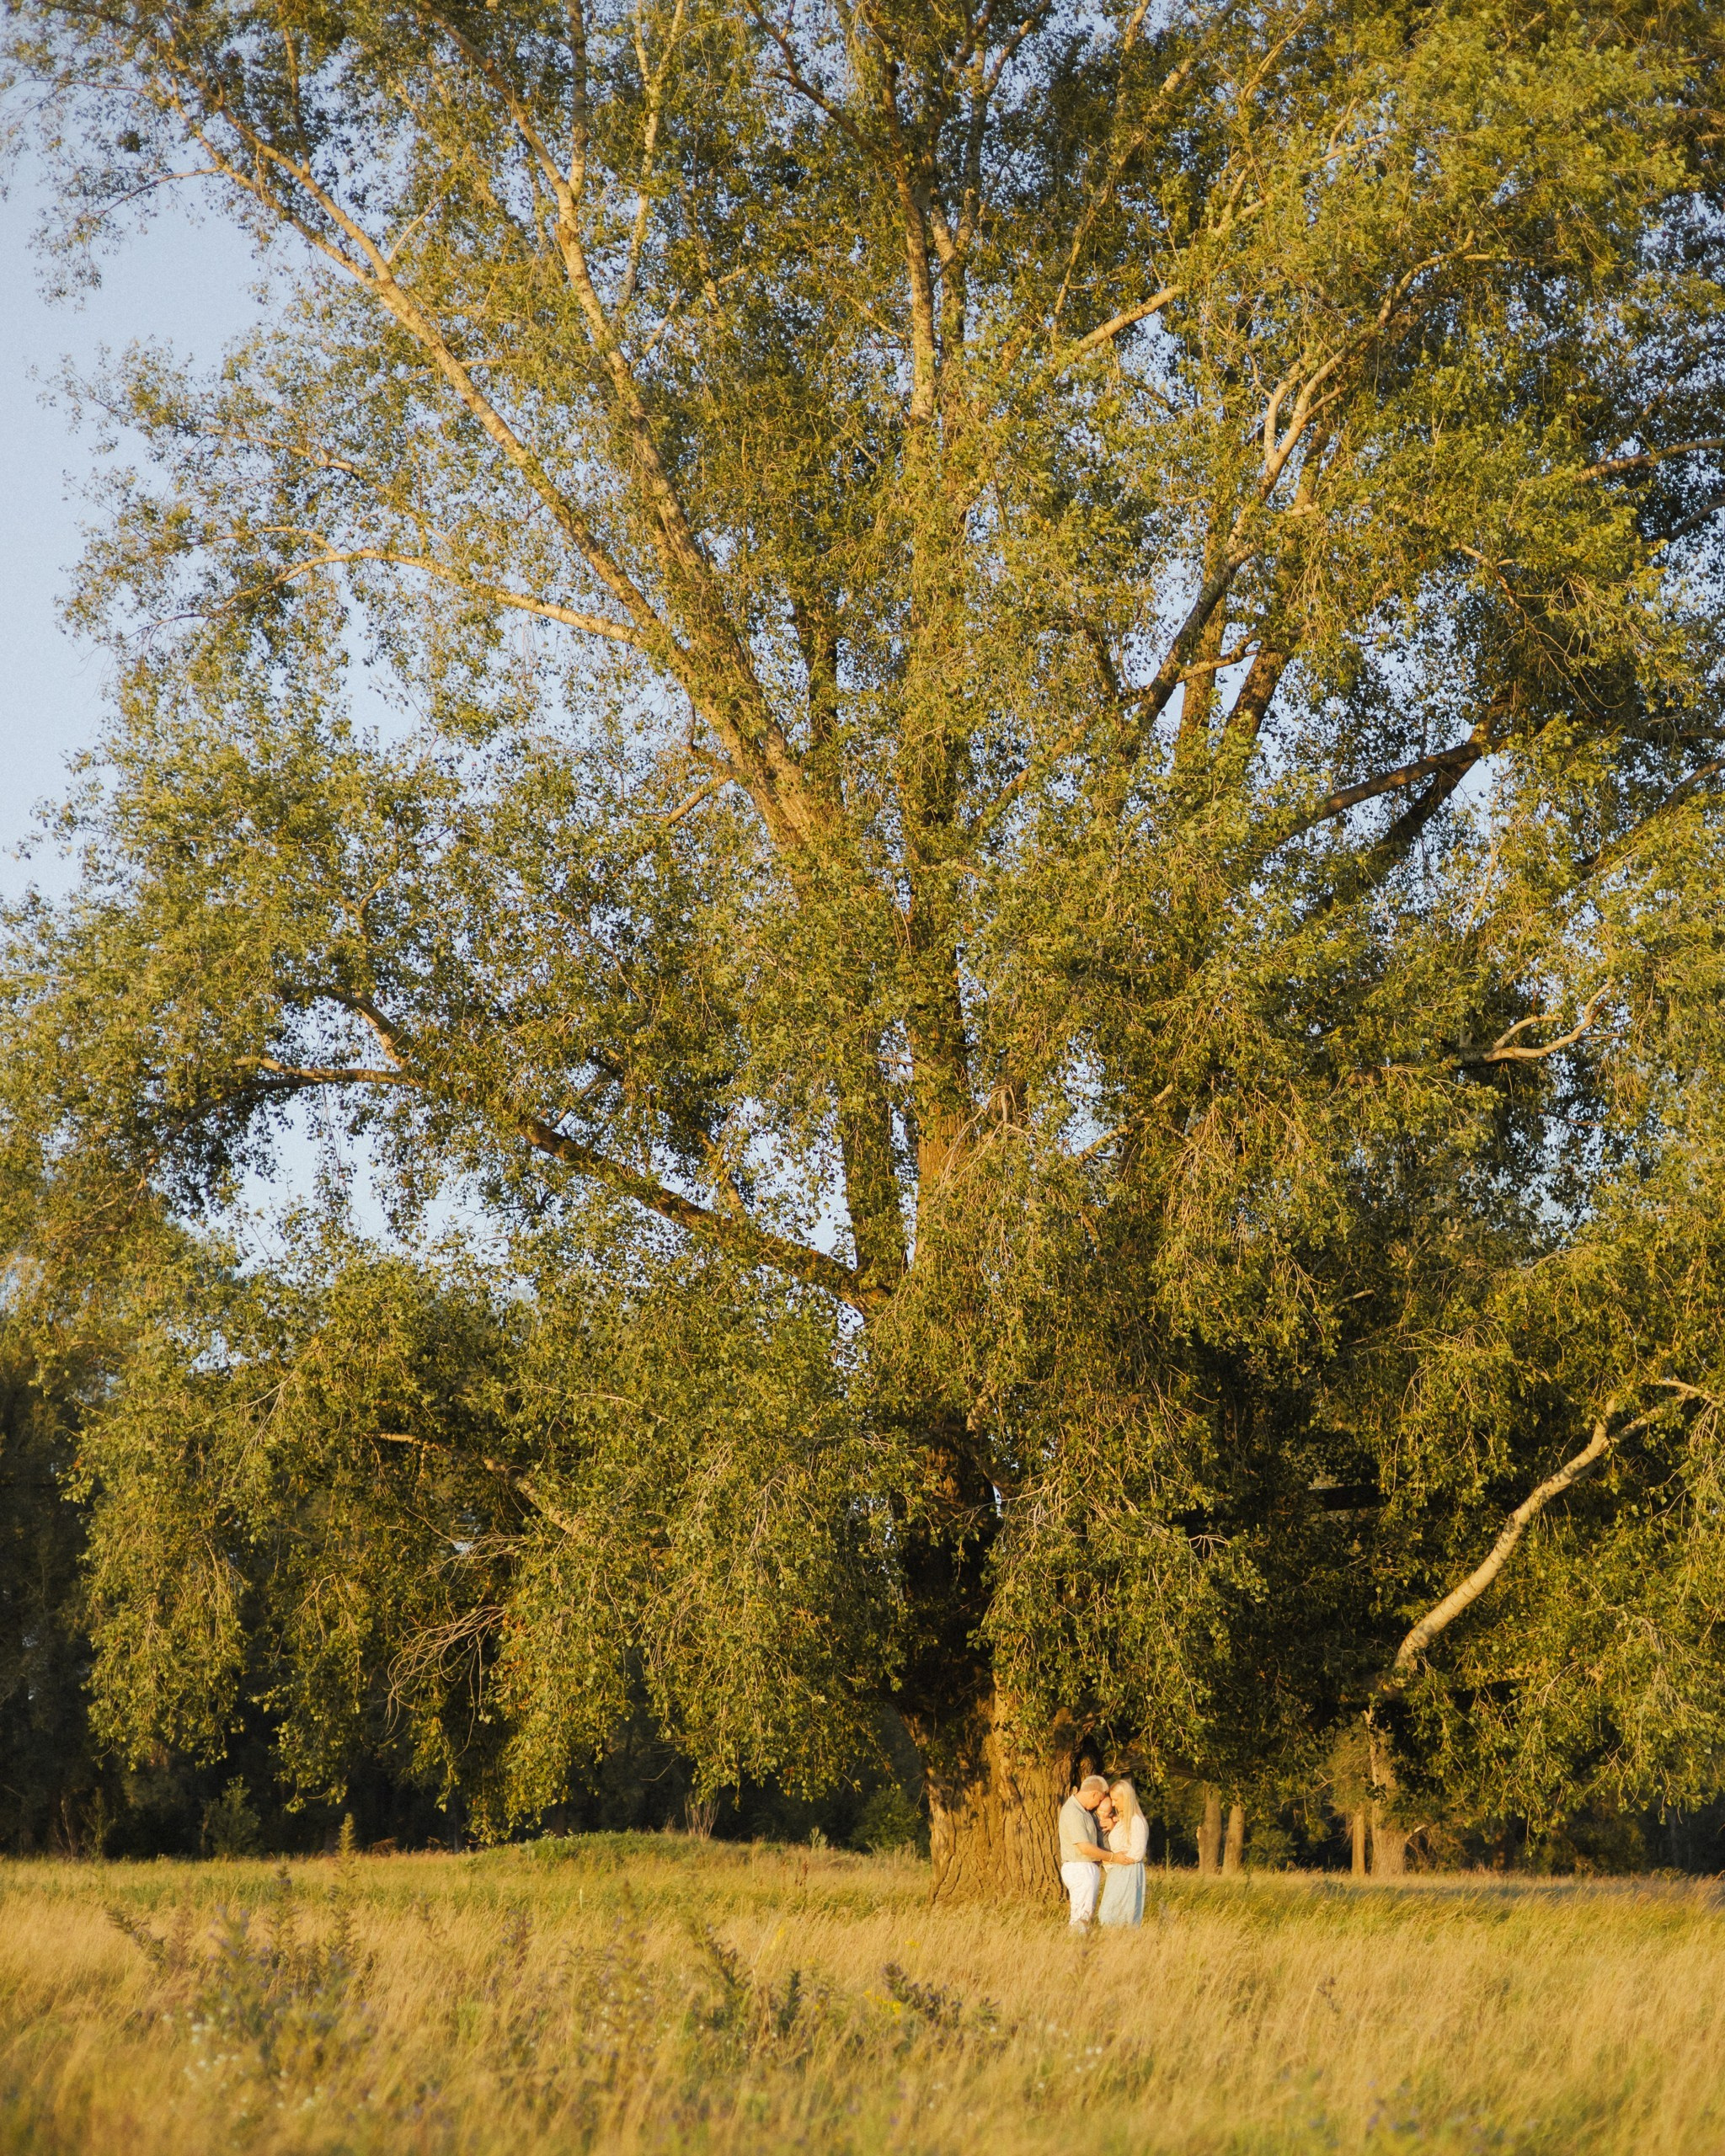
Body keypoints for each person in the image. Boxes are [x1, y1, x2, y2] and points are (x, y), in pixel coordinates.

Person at [1057, 1774, 1110, 1927]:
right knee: (1081, 1916)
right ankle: (1077, 1940)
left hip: (1085, 1867)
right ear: (1094, 1794)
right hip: (1080, 1867)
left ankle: (1080, 1937)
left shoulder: (1084, 1811)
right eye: (1099, 1800)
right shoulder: (1073, 1812)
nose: (1098, 1805)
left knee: (1085, 1915)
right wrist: (1112, 1857)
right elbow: (1085, 1847)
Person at [1097, 1778, 1149, 1927]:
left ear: (1125, 1798)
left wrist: (1116, 1858)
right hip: (1118, 1870)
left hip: (1128, 1870)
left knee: (1117, 1913)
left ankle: (1123, 1938)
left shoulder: (1136, 1820)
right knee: (1109, 1913)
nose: (1113, 1804)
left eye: (1116, 1800)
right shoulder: (1121, 1820)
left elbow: (1137, 1852)